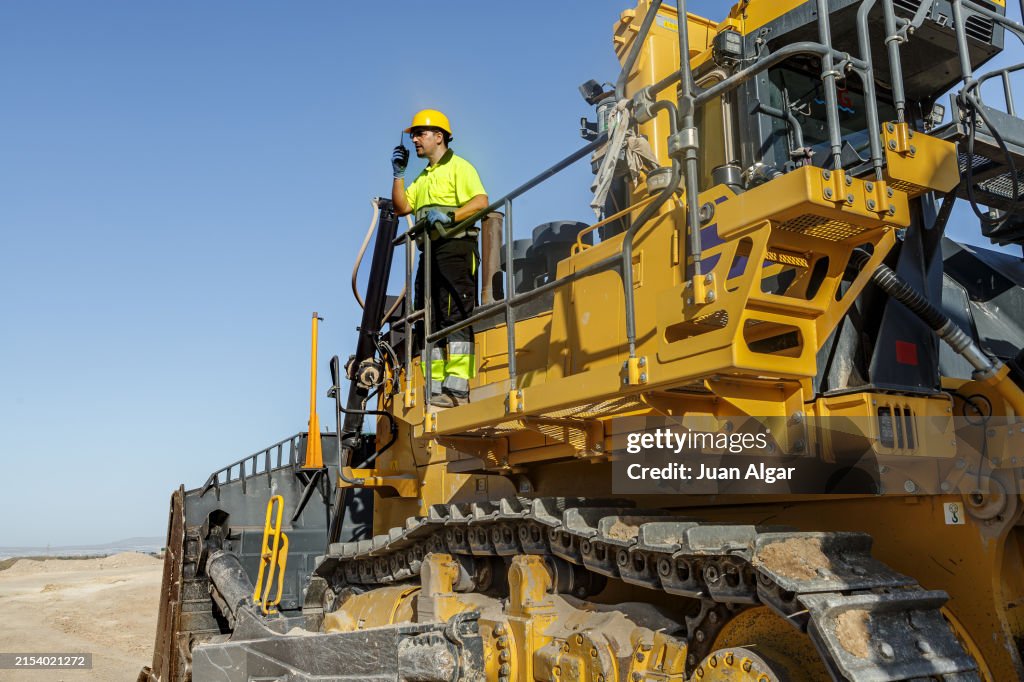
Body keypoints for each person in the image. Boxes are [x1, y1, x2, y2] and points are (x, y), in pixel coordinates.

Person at [391, 109, 488, 408]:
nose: (415, 140)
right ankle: (435, 389)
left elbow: (481, 202)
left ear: (439, 136)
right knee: (428, 320)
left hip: (456, 249)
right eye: (414, 135)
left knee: (455, 314)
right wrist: (398, 174)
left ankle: (457, 388)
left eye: (420, 134)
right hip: (430, 253)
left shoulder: (460, 167)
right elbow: (402, 207)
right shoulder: (424, 177)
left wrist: (449, 214)